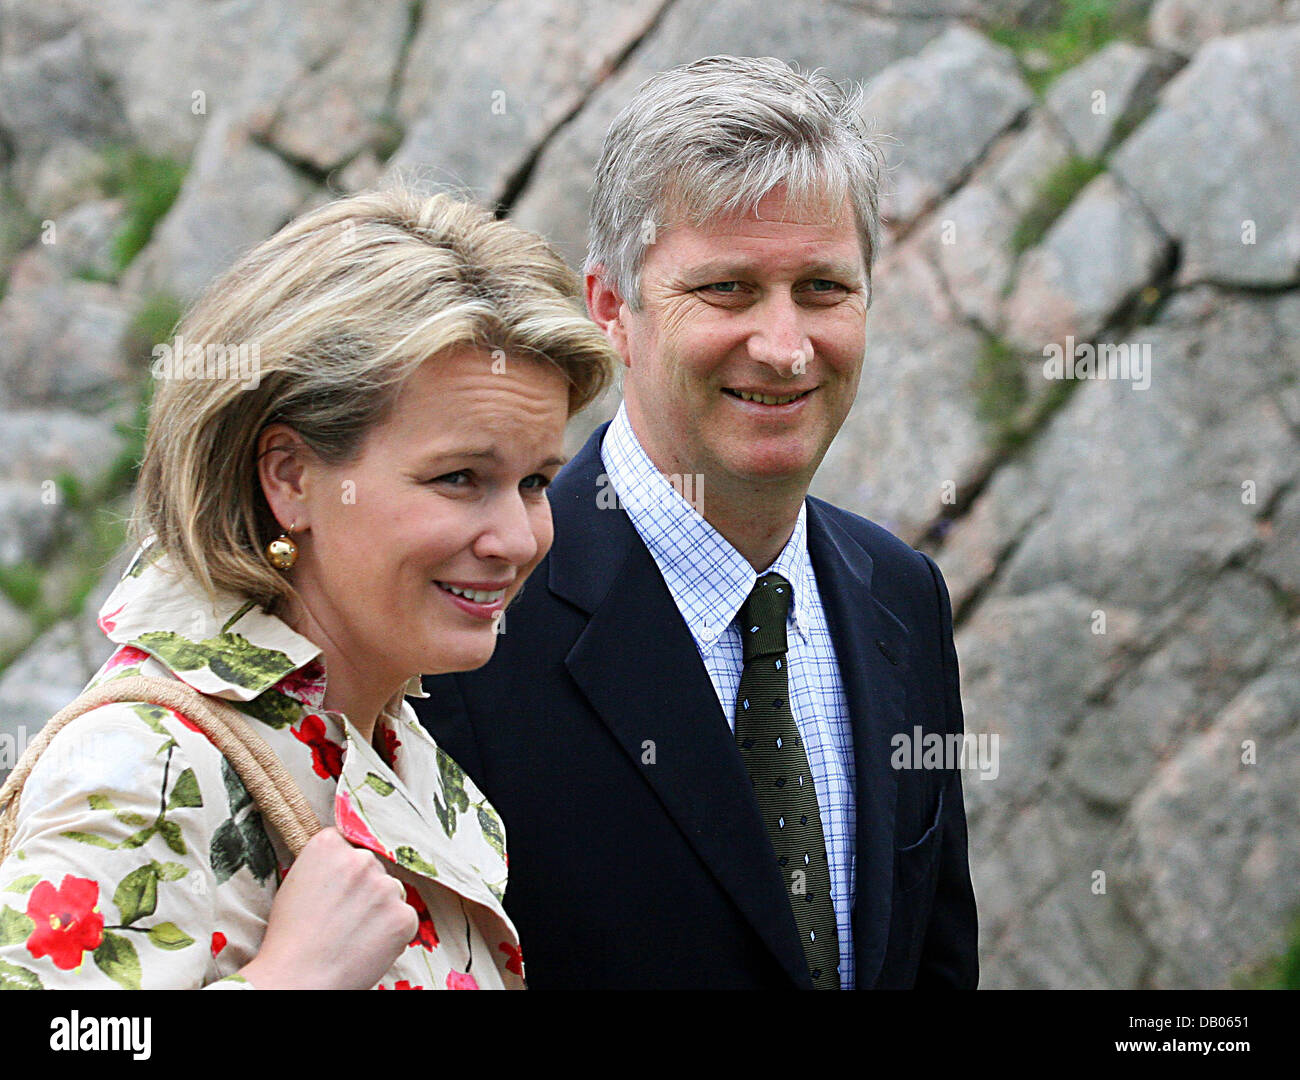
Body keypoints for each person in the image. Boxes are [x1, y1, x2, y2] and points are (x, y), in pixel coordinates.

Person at [416, 55, 979, 989]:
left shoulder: (903, 598)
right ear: (612, 309)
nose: (786, 346)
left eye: (824, 289)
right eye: (726, 289)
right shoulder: (473, 615)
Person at [0, 186, 615, 989]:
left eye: (536, 482)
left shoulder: (389, 741)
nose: (515, 538)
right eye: (460, 478)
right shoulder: (145, 767)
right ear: (290, 477)